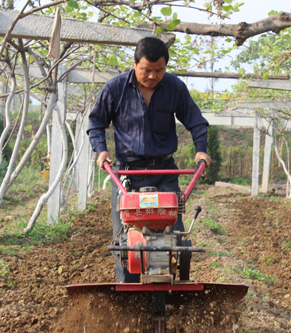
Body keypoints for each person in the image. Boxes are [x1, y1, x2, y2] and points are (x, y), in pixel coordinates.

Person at [88, 37, 212, 283]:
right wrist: (101, 150)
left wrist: (201, 150)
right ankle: (129, 293)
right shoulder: (115, 89)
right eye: (147, 70)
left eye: (159, 70)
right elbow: (96, 122)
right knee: (125, 239)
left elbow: (196, 120)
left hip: (164, 172)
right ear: (134, 64)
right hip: (126, 175)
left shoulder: (174, 87)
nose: (153, 76)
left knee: (174, 233)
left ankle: (175, 287)